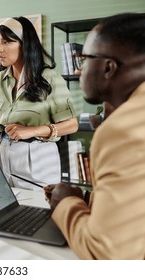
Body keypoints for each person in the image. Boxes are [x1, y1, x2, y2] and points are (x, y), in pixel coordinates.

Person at [44, 13, 145, 259]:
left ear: (108, 67)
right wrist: (91, 199)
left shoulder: (123, 130)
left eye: (84, 59)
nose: (78, 70)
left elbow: (108, 256)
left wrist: (66, 203)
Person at [0, 17, 78, 191]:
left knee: (38, 213)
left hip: (39, 161)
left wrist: (31, 131)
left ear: (25, 44)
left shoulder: (49, 78)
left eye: (7, 42)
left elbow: (72, 125)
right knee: (5, 213)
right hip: (2, 159)